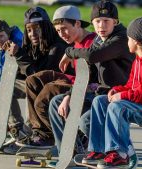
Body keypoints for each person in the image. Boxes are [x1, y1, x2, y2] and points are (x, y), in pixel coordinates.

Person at [48, 0, 135, 165]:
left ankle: (123, 151)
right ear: (93, 23)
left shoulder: (120, 38)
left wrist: (69, 52)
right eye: (97, 21)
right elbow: (89, 75)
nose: (101, 25)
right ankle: (71, 155)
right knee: (56, 103)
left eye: (106, 21)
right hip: (99, 95)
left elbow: (94, 55)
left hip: (119, 96)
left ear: (115, 22)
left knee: (86, 120)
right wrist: (69, 95)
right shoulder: (99, 40)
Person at [82, 17, 142, 169]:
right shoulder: (138, 60)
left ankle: (120, 154)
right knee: (100, 101)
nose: (126, 42)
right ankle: (98, 150)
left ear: (136, 41)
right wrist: (117, 90)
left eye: (128, 39)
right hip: (140, 104)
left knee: (117, 107)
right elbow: (131, 85)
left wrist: (123, 96)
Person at [15, 5, 97, 149]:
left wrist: (69, 95)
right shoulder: (75, 43)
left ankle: (57, 137)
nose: (62, 34)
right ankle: (40, 133)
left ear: (77, 24)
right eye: (58, 30)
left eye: (64, 29)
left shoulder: (91, 43)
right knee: (33, 80)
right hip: (72, 80)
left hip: (86, 87)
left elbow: (90, 78)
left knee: (45, 95)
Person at [2, 6, 72, 154]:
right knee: (4, 85)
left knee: (32, 85)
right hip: (37, 84)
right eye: (29, 29)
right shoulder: (32, 46)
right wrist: (13, 57)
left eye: (37, 28)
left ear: (46, 28)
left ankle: (35, 133)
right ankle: (18, 129)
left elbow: (40, 79)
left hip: (55, 87)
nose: (32, 33)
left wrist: (20, 55)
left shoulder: (57, 47)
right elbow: (26, 74)